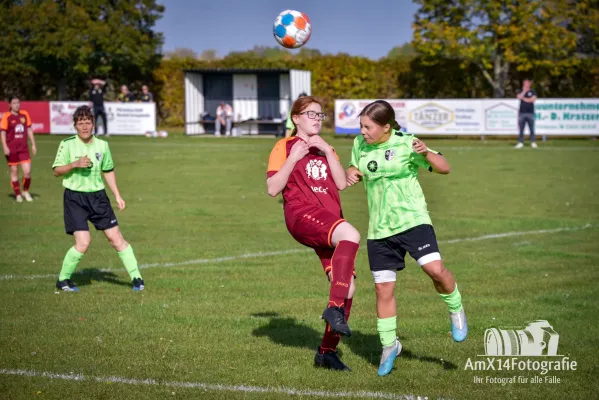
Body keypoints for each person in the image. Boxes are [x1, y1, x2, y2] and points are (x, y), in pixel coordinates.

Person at [345, 100, 467, 377]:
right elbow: (354, 168)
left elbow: (444, 167)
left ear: (386, 127)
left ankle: (456, 308)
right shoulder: (359, 144)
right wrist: (351, 171)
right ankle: (389, 345)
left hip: (413, 221)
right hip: (379, 229)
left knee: (434, 270)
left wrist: (427, 153)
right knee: (382, 290)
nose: (363, 131)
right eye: (361, 126)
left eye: (368, 127)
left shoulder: (407, 143)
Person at [266, 96, 360, 371]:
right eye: (311, 114)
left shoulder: (327, 148)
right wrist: (294, 157)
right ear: (296, 119)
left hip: (329, 221)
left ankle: (326, 353)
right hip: (301, 214)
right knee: (351, 235)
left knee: (349, 288)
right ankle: (333, 311)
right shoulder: (284, 146)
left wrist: (329, 153)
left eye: (321, 115)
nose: (317, 119)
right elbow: (273, 188)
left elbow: (341, 184)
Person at [51, 105, 144, 292]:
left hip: (98, 198)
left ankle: (137, 279)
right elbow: (56, 171)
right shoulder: (67, 144)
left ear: (93, 124)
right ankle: (63, 280)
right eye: (81, 123)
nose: (85, 127)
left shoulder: (102, 146)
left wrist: (117, 195)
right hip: (75, 198)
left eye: (88, 122)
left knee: (116, 239)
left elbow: (108, 170)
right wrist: (74, 164)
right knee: (83, 242)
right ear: (75, 126)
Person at [1, 96, 36, 202]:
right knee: (14, 171)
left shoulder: (24, 114)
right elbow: (2, 133)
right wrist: (5, 147)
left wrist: (33, 144)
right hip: (11, 149)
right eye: (14, 103)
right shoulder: (6, 116)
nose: (17, 105)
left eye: (18, 103)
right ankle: (17, 194)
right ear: (10, 105)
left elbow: (29, 129)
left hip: (23, 148)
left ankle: (25, 191)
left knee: (27, 172)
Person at [515, 79, 538, 149]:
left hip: (530, 113)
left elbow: (532, 99)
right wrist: (524, 91)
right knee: (521, 129)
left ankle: (533, 142)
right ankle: (520, 142)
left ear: (529, 84)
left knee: (531, 129)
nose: (526, 85)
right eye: (524, 83)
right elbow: (518, 97)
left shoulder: (533, 91)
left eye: (527, 83)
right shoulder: (520, 91)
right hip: (522, 113)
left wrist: (524, 98)